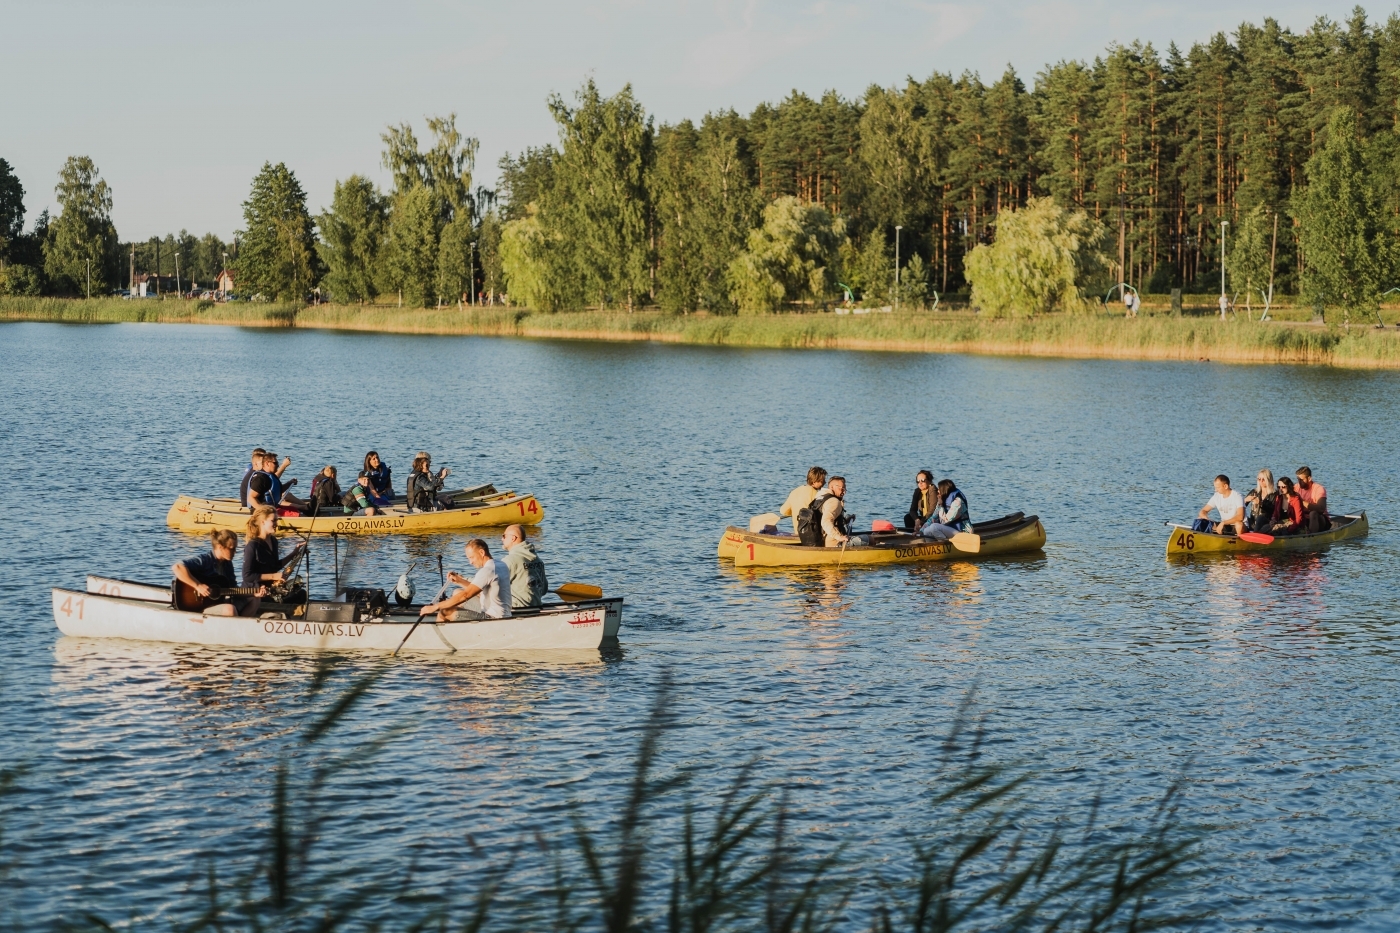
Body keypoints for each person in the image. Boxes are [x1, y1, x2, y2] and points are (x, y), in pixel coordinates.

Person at [172, 529, 265, 616]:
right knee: (230, 609)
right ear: (220, 547)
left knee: (255, 599)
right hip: (201, 606)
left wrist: (253, 593)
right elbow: (177, 567)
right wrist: (198, 586)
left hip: (219, 603)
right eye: (232, 548)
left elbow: (233, 589)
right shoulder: (205, 560)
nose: (235, 552)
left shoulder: (228, 564)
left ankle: (242, 627)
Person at [419, 538, 512, 621]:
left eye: (471, 557)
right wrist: (460, 580)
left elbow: (466, 595)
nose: (470, 562)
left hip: (493, 618)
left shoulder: (487, 571)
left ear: (481, 552)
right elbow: (478, 591)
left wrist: (435, 607)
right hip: (502, 612)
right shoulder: (500, 564)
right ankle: (459, 623)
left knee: (445, 611)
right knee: (457, 592)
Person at [501, 523, 549, 609]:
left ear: (513, 538)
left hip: (517, 610)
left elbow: (492, 585)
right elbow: (544, 590)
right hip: (537, 607)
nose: (502, 539)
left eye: (504, 536)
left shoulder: (510, 561)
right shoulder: (538, 560)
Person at [780, 467, 826, 532]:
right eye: (822, 481)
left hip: (798, 532)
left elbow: (783, 511)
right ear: (813, 482)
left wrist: (794, 512)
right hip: (812, 534)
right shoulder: (817, 495)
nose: (824, 482)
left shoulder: (794, 491)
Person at [814, 476, 852, 547]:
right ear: (832, 487)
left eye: (845, 489)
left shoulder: (819, 497)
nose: (844, 492)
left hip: (821, 539)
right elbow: (825, 521)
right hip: (833, 542)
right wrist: (839, 537)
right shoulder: (834, 502)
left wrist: (846, 520)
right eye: (842, 489)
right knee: (871, 539)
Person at [1295, 466, 1329, 533]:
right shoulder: (1296, 487)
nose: (1299, 482)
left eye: (1301, 479)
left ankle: (1311, 536)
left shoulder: (1319, 489)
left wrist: (1301, 502)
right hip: (1304, 518)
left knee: (1313, 513)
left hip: (1319, 520)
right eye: (1298, 479)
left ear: (1309, 478)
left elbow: (1321, 509)